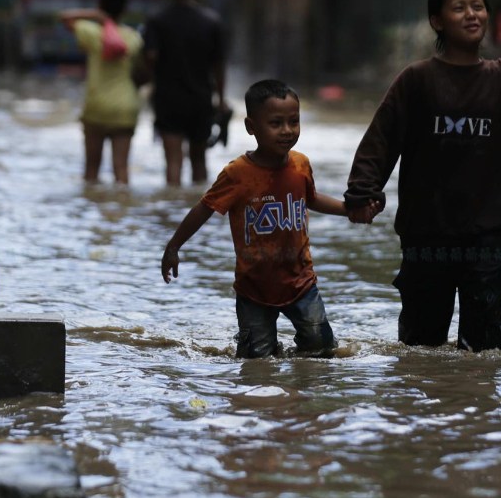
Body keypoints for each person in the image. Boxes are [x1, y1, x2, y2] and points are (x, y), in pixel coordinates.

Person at [344, 0, 501, 353]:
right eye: (459, 8)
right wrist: (362, 193)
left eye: (478, 6)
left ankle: (478, 414)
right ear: (437, 21)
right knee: (418, 352)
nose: (472, 14)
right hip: (425, 239)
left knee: (483, 355)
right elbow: (381, 140)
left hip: (486, 240)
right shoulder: (416, 81)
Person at [160, 79, 379, 358]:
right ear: (252, 127)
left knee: (320, 348)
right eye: (276, 123)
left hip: (300, 282)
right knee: (256, 360)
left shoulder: (300, 164)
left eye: (294, 122)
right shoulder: (238, 173)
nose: (287, 131)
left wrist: (350, 211)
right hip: (254, 288)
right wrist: (174, 246)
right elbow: (204, 208)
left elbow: (310, 199)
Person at [142, 0, 229, 187]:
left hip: (168, 99)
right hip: (200, 99)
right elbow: (219, 65)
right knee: (199, 160)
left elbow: (150, 57)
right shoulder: (211, 22)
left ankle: (173, 208)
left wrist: (151, 82)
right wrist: (220, 100)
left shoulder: (157, 21)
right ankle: (199, 209)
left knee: (173, 160)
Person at [58, 0, 146, 184]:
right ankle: (123, 212)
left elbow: (65, 18)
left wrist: (96, 15)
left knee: (91, 171)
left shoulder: (91, 32)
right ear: (125, 7)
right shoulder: (133, 38)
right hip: (125, 108)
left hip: (96, 107)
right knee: (121, 170)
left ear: (100, 4)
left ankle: (91, 212)